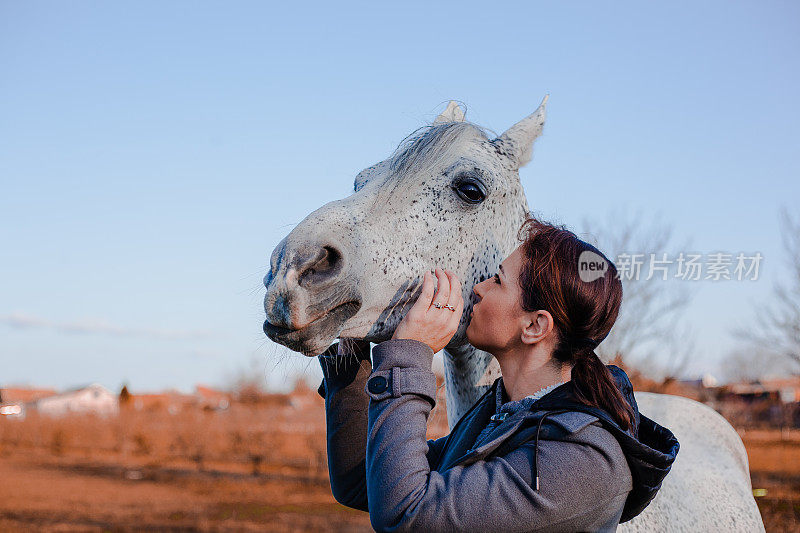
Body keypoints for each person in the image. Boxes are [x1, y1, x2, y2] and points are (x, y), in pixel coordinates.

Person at [316, 216, 679, 532]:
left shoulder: (583, 461)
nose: (478, 287)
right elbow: (364, 483)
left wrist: (411, 354)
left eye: (498, 280)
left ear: (536, 326)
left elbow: (406, 513)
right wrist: (348, 345)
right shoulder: (502, 415)